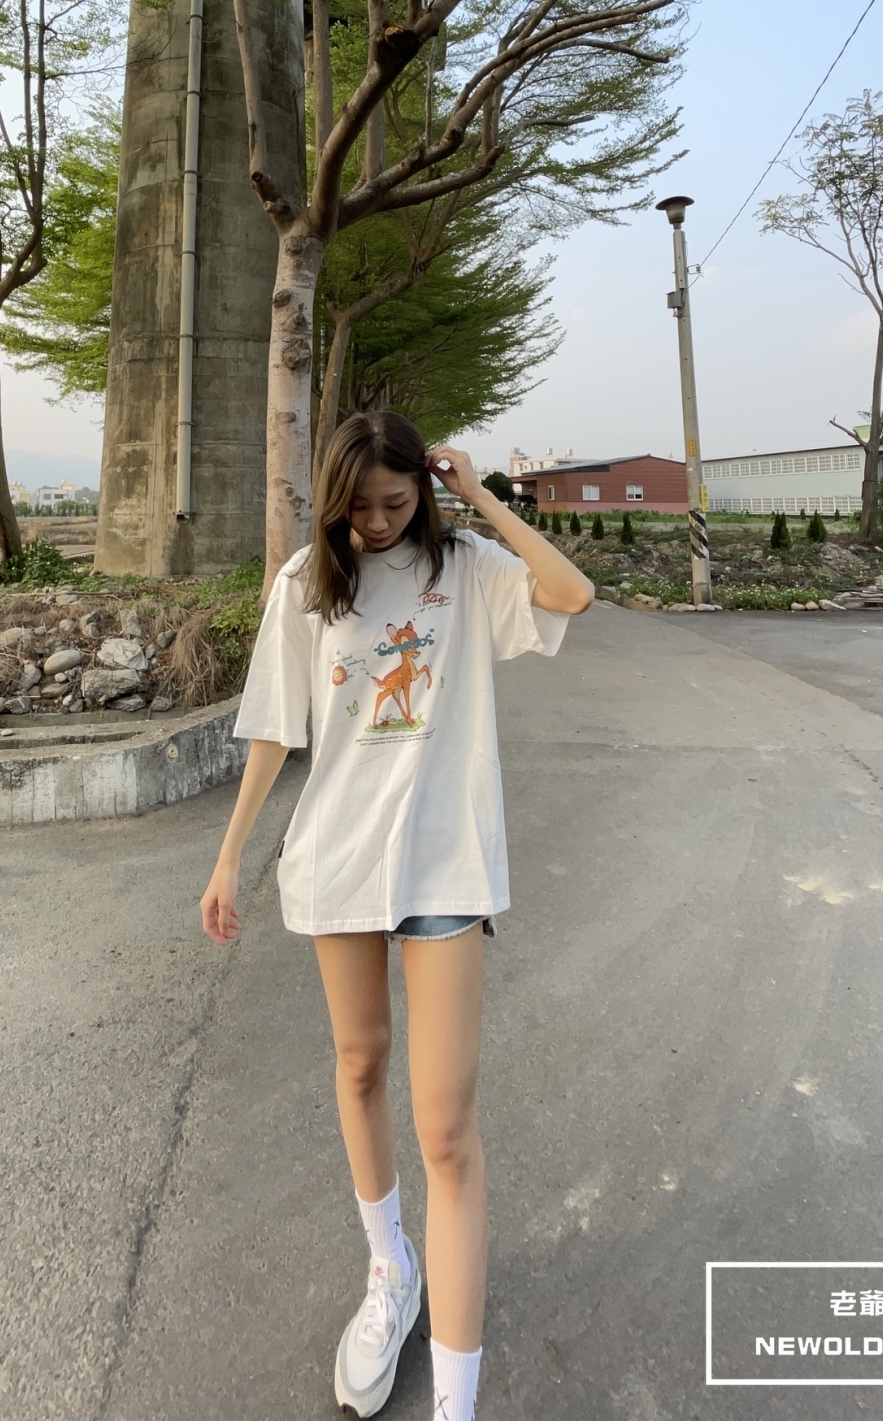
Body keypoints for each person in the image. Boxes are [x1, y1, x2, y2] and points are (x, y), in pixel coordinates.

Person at [201, 410, 594, 1420]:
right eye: (360, 505)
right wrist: (230, 856)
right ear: (333, 501)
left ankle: (456, 1403)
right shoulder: (307, 582)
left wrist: (481, 497)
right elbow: (274, 728)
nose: (378, 522)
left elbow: (570, 593)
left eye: (396, 500)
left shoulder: (463, 567)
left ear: (423, 487)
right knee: (360, 1062)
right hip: (337, 859)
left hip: (444, 864)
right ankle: (389, 1267)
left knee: (447, 1131)